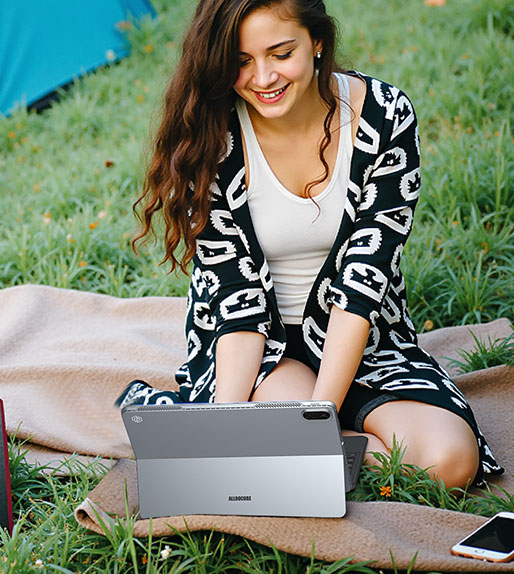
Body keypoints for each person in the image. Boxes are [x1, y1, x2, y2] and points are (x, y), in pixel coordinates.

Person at [117, 0, 503, 489]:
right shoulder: (211, 133)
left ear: (317, 41)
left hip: (364, 336)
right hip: (258, 346)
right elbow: (236, 303)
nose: (263, 78)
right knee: (257, 428)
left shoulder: (384, 116)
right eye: (241, 61)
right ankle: (295, 439)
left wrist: (318, 420)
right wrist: (222, 428)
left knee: (451, 461)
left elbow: (364, 284)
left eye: (281, 54)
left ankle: (299, 443)